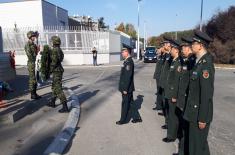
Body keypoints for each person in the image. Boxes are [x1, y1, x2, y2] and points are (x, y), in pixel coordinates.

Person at [183, 30, 214, 155]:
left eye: (194, 43)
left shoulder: (206, 65)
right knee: (198, 146)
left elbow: (206, 94)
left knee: (197, 147)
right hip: (193, 111)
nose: (192, 45)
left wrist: (202, 118)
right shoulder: (198, 62)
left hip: (199, 114)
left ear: (201, 45)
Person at [177, 37, 196, 155]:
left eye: (184, 47)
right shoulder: (187, 60)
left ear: (189, 48)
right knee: (185, 129)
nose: (182, 50)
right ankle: (182, 151)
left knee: (190, 132)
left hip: (188, 100)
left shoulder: (193, 61)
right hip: (184, 98)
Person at [163, 39, 182, 143]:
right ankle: (173, 133)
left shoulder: (178, 63)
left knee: (173, 116)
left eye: (172, 49)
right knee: (171, 115)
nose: (170, 51)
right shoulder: (174, 61)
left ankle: (171, 136)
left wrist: (174, 95)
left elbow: (177, 81)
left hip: (173, 94)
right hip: (169, 93)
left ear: (176, 50)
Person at [116, 48, 139, 125]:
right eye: (122, 52)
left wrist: (125, 88)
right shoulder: (126, 61)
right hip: (128, 87)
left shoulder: (129, 62)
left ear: (127, 52)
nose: (122, 53)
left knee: (125, 104)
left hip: (127, 88)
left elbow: (128, 76)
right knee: (131, 103)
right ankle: (137, 117)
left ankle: (123, 120)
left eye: (123, 52)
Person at [47, 36, 69, 113]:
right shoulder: (59, 50)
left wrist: (49, 71)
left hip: (56, 71)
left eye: (52, 41)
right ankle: (52, 102)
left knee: (58, 88)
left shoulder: (55, 50)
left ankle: (65, 106)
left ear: (54, 42)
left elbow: (54, 62)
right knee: (54, 86)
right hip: (58, 70)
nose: (51, 43)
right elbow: (61, 58)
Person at [158, 36, 172, 130]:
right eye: (164, 44)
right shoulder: (166, 55)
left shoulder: (171, 55)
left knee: (168, 105)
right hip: (163, 83)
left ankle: (169, 123)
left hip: (168, 84)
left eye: (165, 44)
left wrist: (166, 52)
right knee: (164, 103)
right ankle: (167, 120)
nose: (164, 46)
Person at [24, 31, 41, 100]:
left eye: (34, 36)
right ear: (30, 37)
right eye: (33, 36)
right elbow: (30, 55)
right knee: (32, 79)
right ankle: (33, 94)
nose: (34, 37)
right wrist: (36, 53)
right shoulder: (28, 45)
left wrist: (37, 51)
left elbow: (36, 53)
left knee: (35, 79)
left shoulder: (33, 44)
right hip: (31, 63)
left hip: (34, 62)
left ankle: (34, 93)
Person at [153, 43, 164, 112]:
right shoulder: (160, 56)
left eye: (159, 48)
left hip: (161, 76)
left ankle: (160, 105)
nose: (158, 50)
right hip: (158, 76)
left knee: (161, 91)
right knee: (159, 91)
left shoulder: (164, 57)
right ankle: (158, 105)